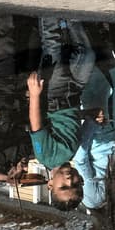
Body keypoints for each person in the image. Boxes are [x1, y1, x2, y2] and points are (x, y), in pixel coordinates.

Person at [25, 70, 83, 210]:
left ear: (50, 185)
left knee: (61, 56)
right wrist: (89, 114)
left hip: (56, 98)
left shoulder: (46, 157)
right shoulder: (71, 154)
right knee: (84, 55)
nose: (69, 180)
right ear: (81, 181)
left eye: (63, 186)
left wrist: (34, 95)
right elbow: (69, 121)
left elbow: (36, 127)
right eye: (75, 184)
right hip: (73, 97)